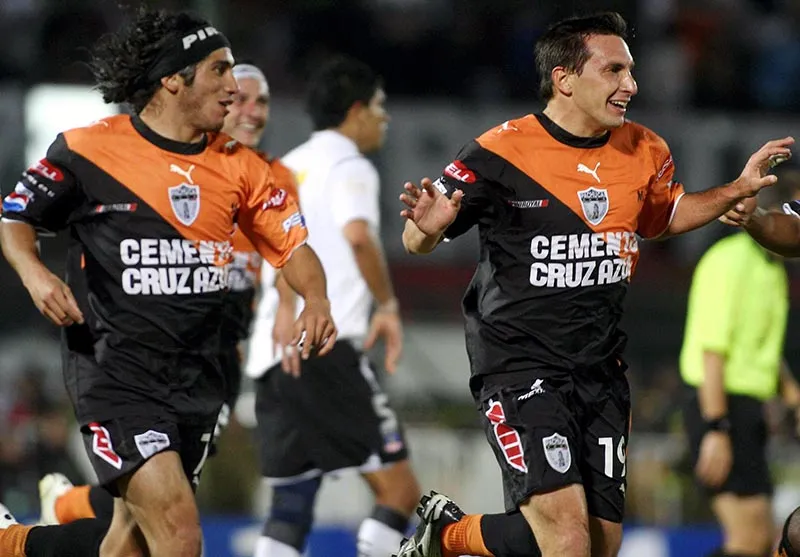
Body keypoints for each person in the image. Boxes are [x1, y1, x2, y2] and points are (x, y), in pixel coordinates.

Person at [393, 11, 793, 557]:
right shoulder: (499, 152)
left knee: (600, 543)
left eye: (631, 71)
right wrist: (426, 229)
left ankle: (448, 536)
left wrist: (734, 190)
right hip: (520, 367)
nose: (631, 85)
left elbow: (665, 215)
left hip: (601, 372)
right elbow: (419, 236)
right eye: (614, 71)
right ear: (565, 79)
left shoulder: (645, 149)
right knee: (566, 537)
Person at [0, 8, 335, 557]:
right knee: (180, 533)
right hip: (115, 373)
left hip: (199, 376)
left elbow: (294, 249)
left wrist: (316, 298)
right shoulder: (87, 148)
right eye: (219, 71)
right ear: (173, 79)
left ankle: (13, 544)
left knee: (129, 540)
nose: (234, 87)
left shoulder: (241, 167)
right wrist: (34, 272)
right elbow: (16, 216)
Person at [35, 61, 299, 529]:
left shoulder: (273, 177)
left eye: (263, 102)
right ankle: (63, 508)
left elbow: (287, 251)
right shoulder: (177, 166)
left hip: (218, 353)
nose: (252, 111)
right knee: (169, 510)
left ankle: (50, 518)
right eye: (241, 99)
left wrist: (289, 307)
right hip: (149, 353)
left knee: (149, 515)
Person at [244, 56, 421, 557]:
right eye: (380, 107)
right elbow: (359, 237)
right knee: (401, 492)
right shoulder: (350, 165)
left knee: (292, 505)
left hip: (273, 356)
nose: (385, 118)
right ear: (357, 110)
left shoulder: (287, 166)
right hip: (327, 347)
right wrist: (387, 304)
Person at [680, 173, 800, 557]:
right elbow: (711, 351)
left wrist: (792, 395)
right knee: (747, 539)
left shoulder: (773, 269)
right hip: (719, 405)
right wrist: (717, 428)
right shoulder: (728, 261)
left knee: (761, 539)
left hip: (747, 410)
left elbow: (761, 346)